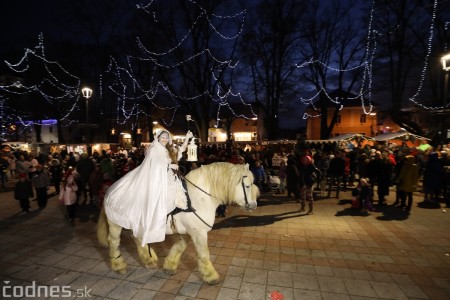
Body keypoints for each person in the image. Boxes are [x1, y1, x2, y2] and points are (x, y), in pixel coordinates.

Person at [104, 130, 193, 246]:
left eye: (167, 137)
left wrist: (187, 138)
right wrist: (169, 165)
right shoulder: (154, 149)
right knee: (164, 196)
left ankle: (172, 218)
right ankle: (155, 222)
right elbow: (154, 164)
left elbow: (180, 151)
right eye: (163, 137)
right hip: (157, 178)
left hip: (168, 176)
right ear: (158, 137)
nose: (165, 139)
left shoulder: (168, 149)